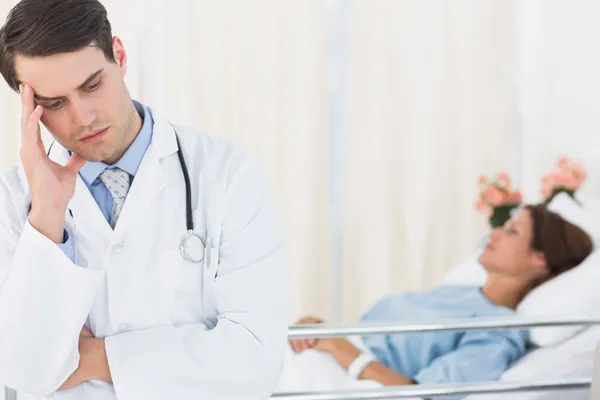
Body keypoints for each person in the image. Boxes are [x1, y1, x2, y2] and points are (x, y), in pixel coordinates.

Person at [0, 0, 288, 399]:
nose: (83, 117)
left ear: (118, 55)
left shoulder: (228, 174)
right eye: (55, 103)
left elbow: (256, 362)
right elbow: (25, 372)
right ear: (29, 107)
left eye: (92, 85)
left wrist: (97, 359)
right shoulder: (14, 201)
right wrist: (47, 214)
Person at [285, 204, 593, 391]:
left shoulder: (499, 330)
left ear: (539, 259)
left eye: (512, 231)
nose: (494, 233)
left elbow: (421, 395)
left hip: (337, 376)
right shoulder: (456, 293)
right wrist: (321, 331)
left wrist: (340, 349)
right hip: (318, 357)